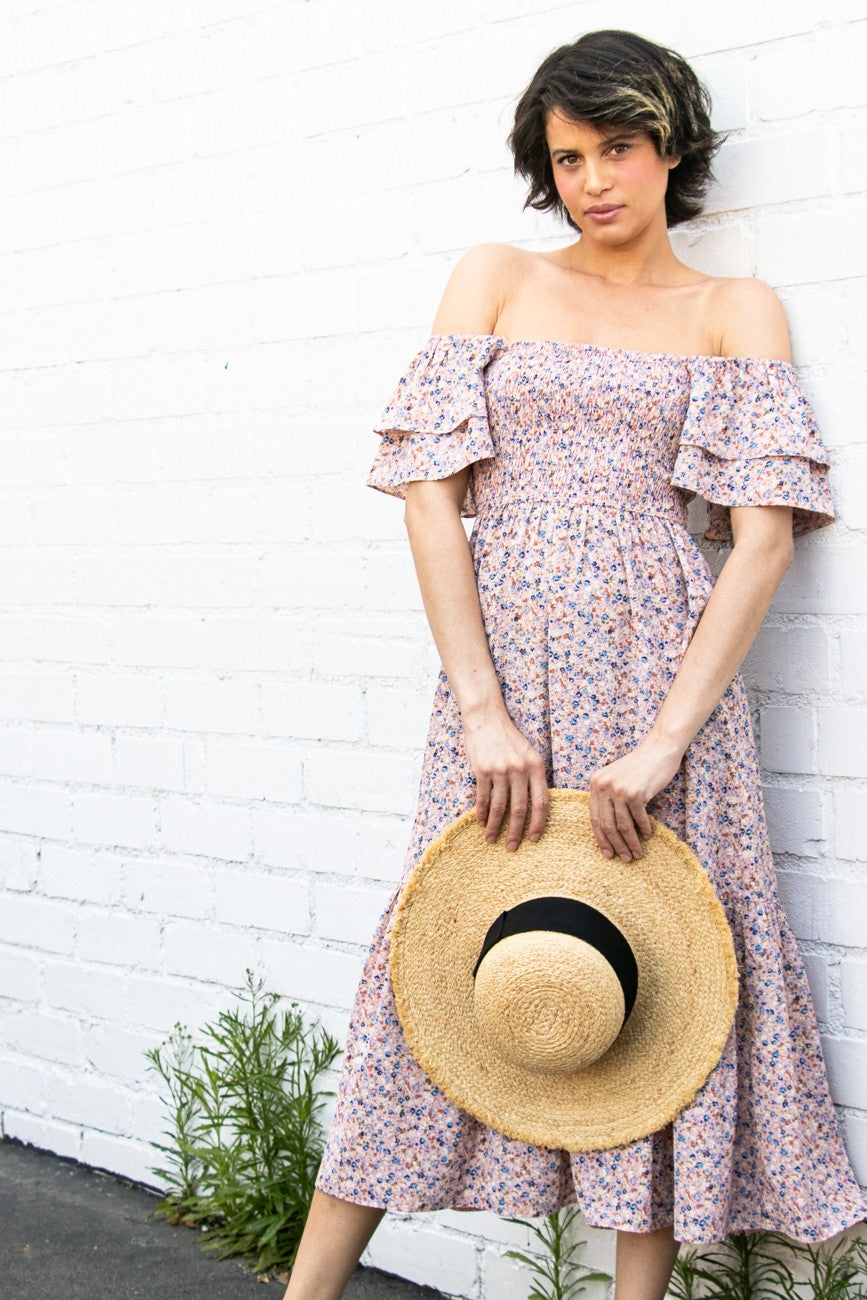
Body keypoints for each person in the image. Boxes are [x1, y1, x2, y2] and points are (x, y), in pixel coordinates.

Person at [283, 28, 866, 1300]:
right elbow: (430, 502)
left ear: (671, 146)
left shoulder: (731, 308)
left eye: (618, 146)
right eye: (567, 157)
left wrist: (664, 741)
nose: (594, 179)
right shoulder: (492, 277)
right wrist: (483, 712)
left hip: (668, 695)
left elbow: (759, 546)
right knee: (430, 970)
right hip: (503, 694)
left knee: (658, 983)